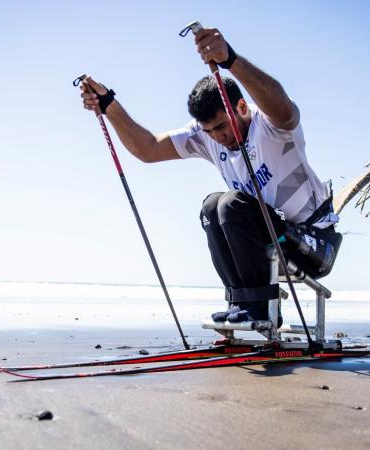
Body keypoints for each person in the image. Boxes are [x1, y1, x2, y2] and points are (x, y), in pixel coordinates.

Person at [79, 27, 340, 324]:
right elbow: (147, 148)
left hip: (314, 243)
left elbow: (287, 112)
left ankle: (264, 309)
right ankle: (241, 303)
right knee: (211, 206)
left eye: (221, 126)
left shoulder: (270, 125)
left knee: (231, 204)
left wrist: (229, 59)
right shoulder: (206, 136)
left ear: (241, 107)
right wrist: (108, 105)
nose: (217, 137)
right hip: (269, 233)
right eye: (209, 131)